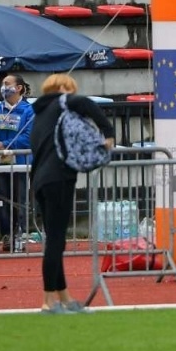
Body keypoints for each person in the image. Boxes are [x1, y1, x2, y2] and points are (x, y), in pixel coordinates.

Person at [29, 72, 115, 314]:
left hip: (40, 181)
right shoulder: (62, 103)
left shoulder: (40, 116)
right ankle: (48, 300)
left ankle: (64, 298)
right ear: (64, 90)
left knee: (56, 239)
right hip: (59, 178)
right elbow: (86, 104)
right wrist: (108, 134)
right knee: (56, 241)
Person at [0, 72, 34, 251]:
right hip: (0, 162)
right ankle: (6, 234)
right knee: (2, 199)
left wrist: (8, 145)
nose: (4, 86)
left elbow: (29, 136)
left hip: (20, 162)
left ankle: (19, 233)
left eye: (8, 83)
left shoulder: (28, 111)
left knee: (19, 199)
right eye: (3, 83)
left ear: (19, 88)